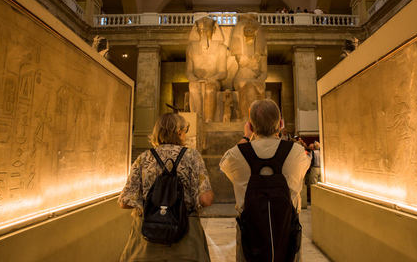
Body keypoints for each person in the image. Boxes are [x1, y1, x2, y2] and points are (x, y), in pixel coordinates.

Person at [220, 99, 311, 262]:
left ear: (251, 127)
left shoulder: (236, 154)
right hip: (287, 229)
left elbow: (223, 164)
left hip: (250, 231)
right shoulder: (297, 152)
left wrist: (246, 138)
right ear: (281, 124)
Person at [118, 112, 215, 262]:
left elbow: (124, 203)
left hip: (146, 239)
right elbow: (206, 199)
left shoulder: (143, 158)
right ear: (179, 132)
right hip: (185, 237)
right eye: (185, 131)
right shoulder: (192, 156)